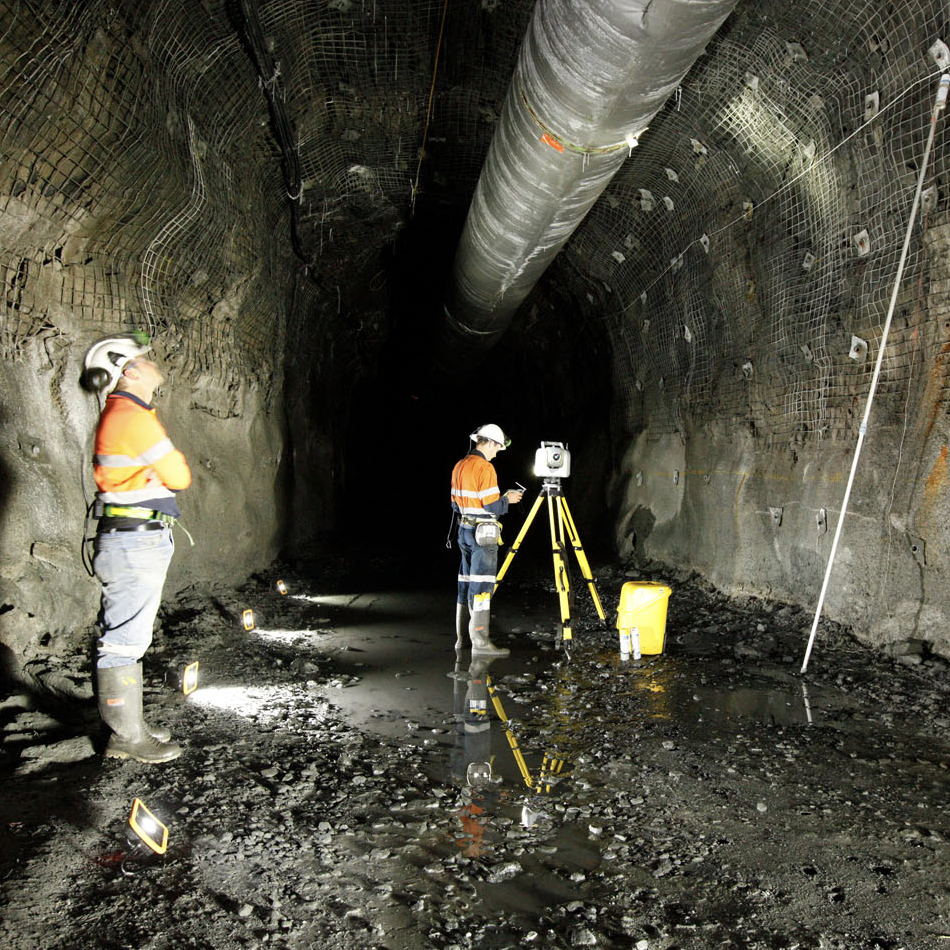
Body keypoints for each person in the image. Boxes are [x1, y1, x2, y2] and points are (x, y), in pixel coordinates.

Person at [81, 333, 192, 764]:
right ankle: (125, 738)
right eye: (143, 359)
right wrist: (160, 473)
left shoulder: (128, 415)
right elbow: (179, 475)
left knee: (131, 636)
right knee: (124, 640)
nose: (151, 361)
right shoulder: (131, 418)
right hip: (134, 540)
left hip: (136, 537)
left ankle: (132, 727)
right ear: (129, 371)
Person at [450, 424, 523, 655]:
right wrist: (508, 499)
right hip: (483, 535)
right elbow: (491, 505)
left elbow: (455, 504)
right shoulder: (485, 467)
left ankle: (462, 641)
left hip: (464, 531)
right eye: (497, 448)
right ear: (489, 443)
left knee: (465, 583)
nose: (497, 453)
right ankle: (480, 644)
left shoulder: (459, 465)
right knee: (481, 586)